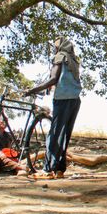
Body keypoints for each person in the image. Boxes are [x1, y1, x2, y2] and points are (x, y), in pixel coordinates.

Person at [25, 37, 82, 179]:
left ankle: (48, 170)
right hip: (75, 100)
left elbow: (53, 79)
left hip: (62, 99)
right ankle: (59, 169)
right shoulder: (73, 60)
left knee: (55, 134)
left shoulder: (60, 57)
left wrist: (33, 89)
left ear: (59, 47)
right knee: (64, 135)